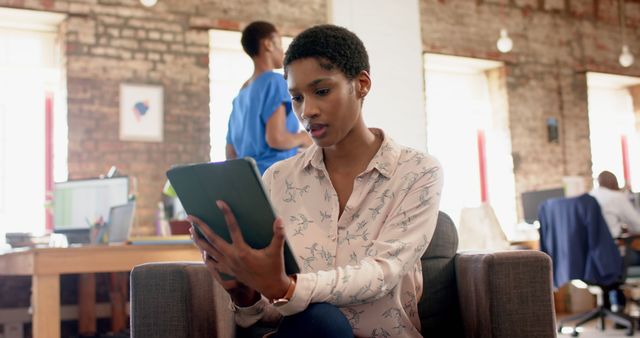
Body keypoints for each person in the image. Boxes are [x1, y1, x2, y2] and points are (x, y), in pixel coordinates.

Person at [191, 24, 443, 338]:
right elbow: (269, 313)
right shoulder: (279, 179)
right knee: (315, 321)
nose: (306, 111)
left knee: (321, 320)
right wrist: (245, 293)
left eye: (321, 91)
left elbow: (383, 274)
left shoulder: (418, 172)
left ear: (361, 84)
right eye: (296, 98)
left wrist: (286, 287)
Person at [225, 21, 311, 174]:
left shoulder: (240, 95)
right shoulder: (275, 81)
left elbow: (231, 152)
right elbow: (276, 139)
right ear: (268, 44)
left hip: (248, 179)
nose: (282, 50)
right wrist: (303, 138)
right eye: (279, 43)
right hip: (274, 177)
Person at [590, 171, 640, 238]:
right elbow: (637, 225)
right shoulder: (616, 197)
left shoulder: (591, 194)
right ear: (613, 183)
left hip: (591, 244)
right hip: (611, 243)